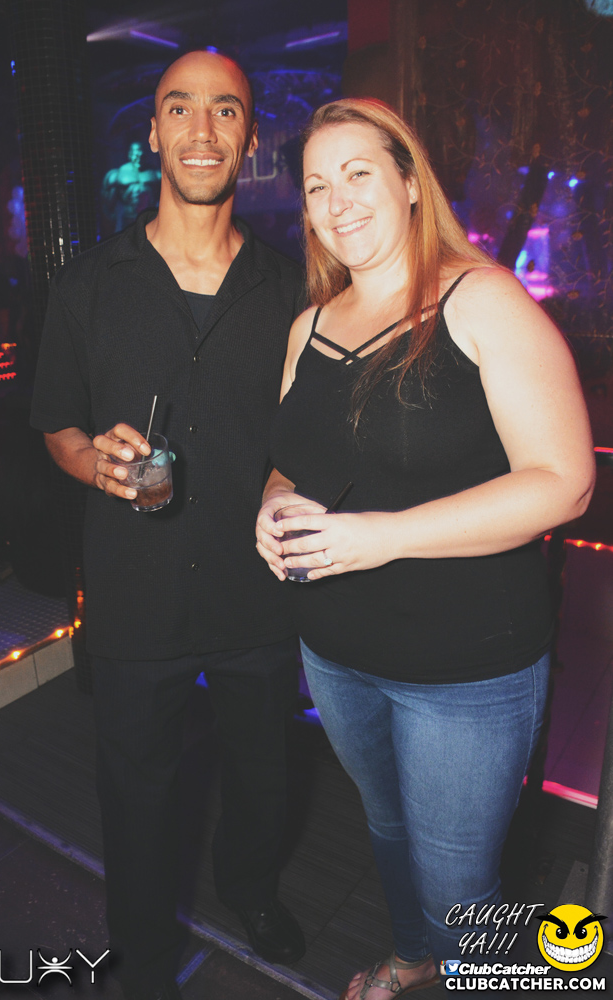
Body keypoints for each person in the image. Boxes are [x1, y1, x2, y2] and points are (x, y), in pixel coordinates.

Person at [255, 98, 594, 1000]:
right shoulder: (309, 326)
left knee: (460, 890)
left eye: (357, 173)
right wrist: (274, 500)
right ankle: (412, 958)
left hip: (464, 670)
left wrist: (384, 537)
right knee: (388, 827)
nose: (336, 201)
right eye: (316, 186)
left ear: (409, 183)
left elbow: (563, 481)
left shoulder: (478, 300)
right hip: (335, 654)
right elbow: (289, 460)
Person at [30, 50, 305, 1000]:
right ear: (152, 132)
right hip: (133, 593)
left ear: (249, 138)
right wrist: (95, 465)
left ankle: (251, 890)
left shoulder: (292, 291)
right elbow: (57, 428)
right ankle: (142, 956)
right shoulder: (86, 285)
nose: (201, 129)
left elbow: (303, 435)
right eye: (178, 108)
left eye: (225, 110)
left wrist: (287, 485)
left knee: (264, 777)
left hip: (254, 591)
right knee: (137, 794)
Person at [101, 141, 162, 232]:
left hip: (150, 219)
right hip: (128, 219)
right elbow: (108, 207)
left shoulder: (156, 174)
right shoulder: (118, 174)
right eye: (136, 155)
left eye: (142, 156)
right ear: (129, 155)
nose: (139, 159)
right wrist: (110, 225)